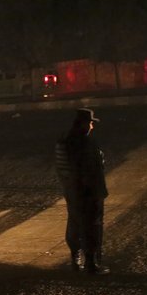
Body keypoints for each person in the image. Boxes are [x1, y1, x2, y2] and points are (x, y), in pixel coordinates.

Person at [55, 108, 110, 275]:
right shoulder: (86, 143)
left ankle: (75, 260)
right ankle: (92, 264)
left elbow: (63, 169)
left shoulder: (63, 142)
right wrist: (98, 192)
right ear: (84, 124)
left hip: (71, 191)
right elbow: (92, 170)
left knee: (75, 223)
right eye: (91, 123)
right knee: (92, 226)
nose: (92, 127)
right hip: (89, 192)